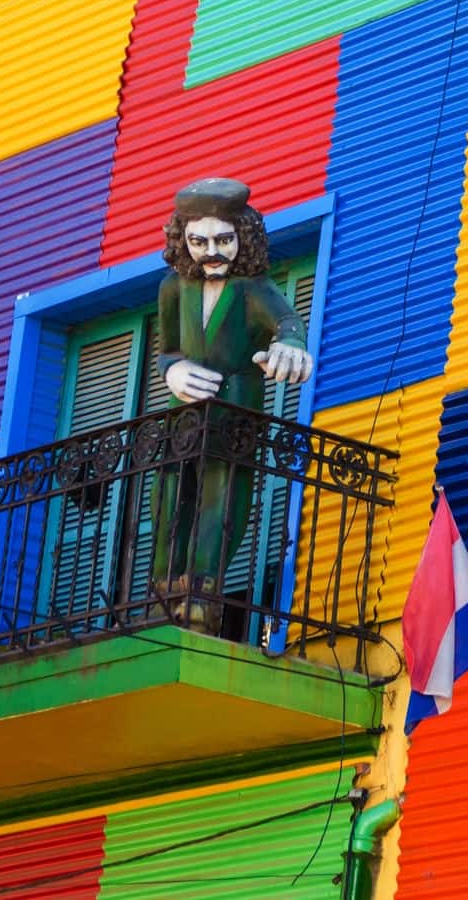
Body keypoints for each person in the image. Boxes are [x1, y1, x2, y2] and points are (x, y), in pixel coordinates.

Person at [151, 178, 313, 632]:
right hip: (181, 414)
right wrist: (172, 372)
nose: (211, 251)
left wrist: (291, 348)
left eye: (223, 239)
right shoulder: (172, 288)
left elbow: (287, 324)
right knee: (169, 501)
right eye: (198, 241)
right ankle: (163, 591)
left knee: (223, 502)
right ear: (183, 240)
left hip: (236, 412)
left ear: (243, 237)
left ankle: (201, 593)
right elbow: (167, 350)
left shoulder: (251, 290)